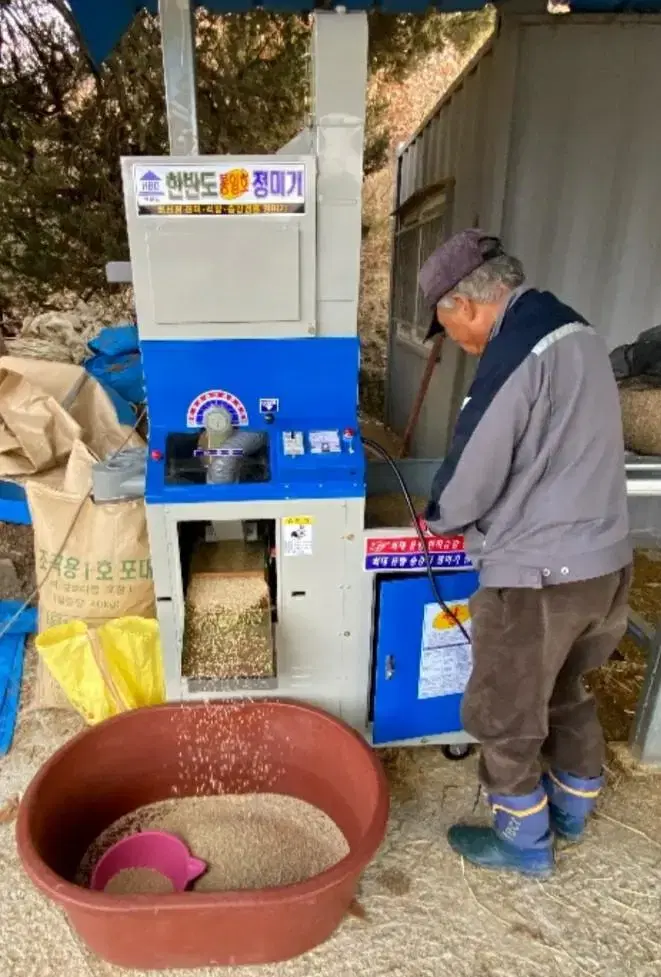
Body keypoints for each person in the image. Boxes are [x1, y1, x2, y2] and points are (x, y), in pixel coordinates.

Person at [418, 229, 632, 879]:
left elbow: (475, 463)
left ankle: (522, 839)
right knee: (564, 685)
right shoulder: (577, 332)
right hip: (602, 564)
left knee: (503, 706)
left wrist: (438, 517)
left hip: (538, 573)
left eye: (449, 329)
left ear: (464, 305)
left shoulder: (514, 351)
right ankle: (572, 803)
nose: (457, 343)